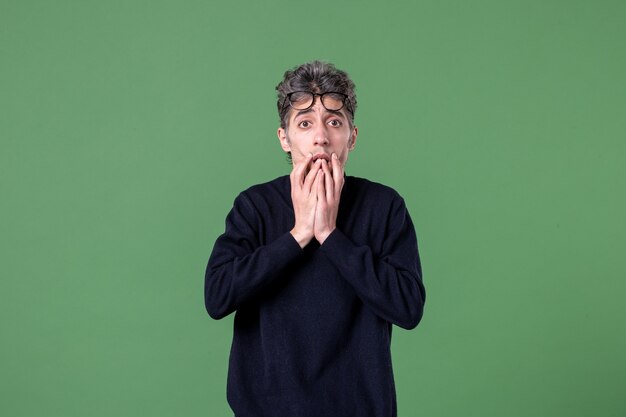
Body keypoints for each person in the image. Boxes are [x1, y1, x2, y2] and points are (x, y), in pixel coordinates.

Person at [204, 61, 426, 417]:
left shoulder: (384, 206)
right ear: (285, 139)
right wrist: (299, 234)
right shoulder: (254, 206)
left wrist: (329, 234)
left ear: (352, 137)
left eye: (334, 122)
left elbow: (408, 308)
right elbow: (217, 297)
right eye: (304, 123)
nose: (320, 136)